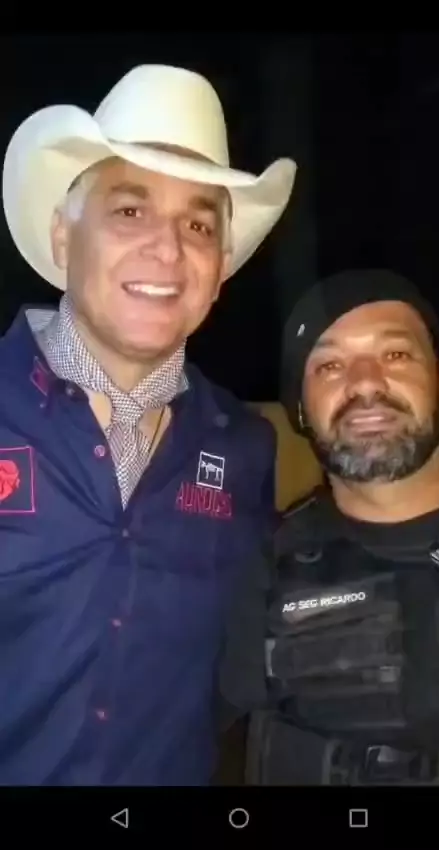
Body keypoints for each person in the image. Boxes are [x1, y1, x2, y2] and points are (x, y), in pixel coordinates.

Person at [0, 64, 297, 786]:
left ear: (219, 269)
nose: (168, 249)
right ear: (63, 238)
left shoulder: (244, 448)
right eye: (130, 210)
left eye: (197, 224)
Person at [219, 268, 439, 786]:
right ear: (301, 408)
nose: (364, 383)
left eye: (396, 354)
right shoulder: (263, 573)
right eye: (330, 365)